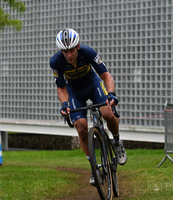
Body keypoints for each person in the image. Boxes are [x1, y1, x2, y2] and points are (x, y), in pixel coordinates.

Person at [50, 28, 127, 185]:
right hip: (74, 91)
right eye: (65, 52)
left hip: (93, 84)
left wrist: (111, 94)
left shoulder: (88, 52)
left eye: (71, 50)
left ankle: (118, 143)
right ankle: (94, 167)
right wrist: (64, 105)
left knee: (108, 114)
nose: (69, 55)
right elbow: (61, 88)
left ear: (77, 46)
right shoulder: (56, 62)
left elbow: (105, 75)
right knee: (81, 127)